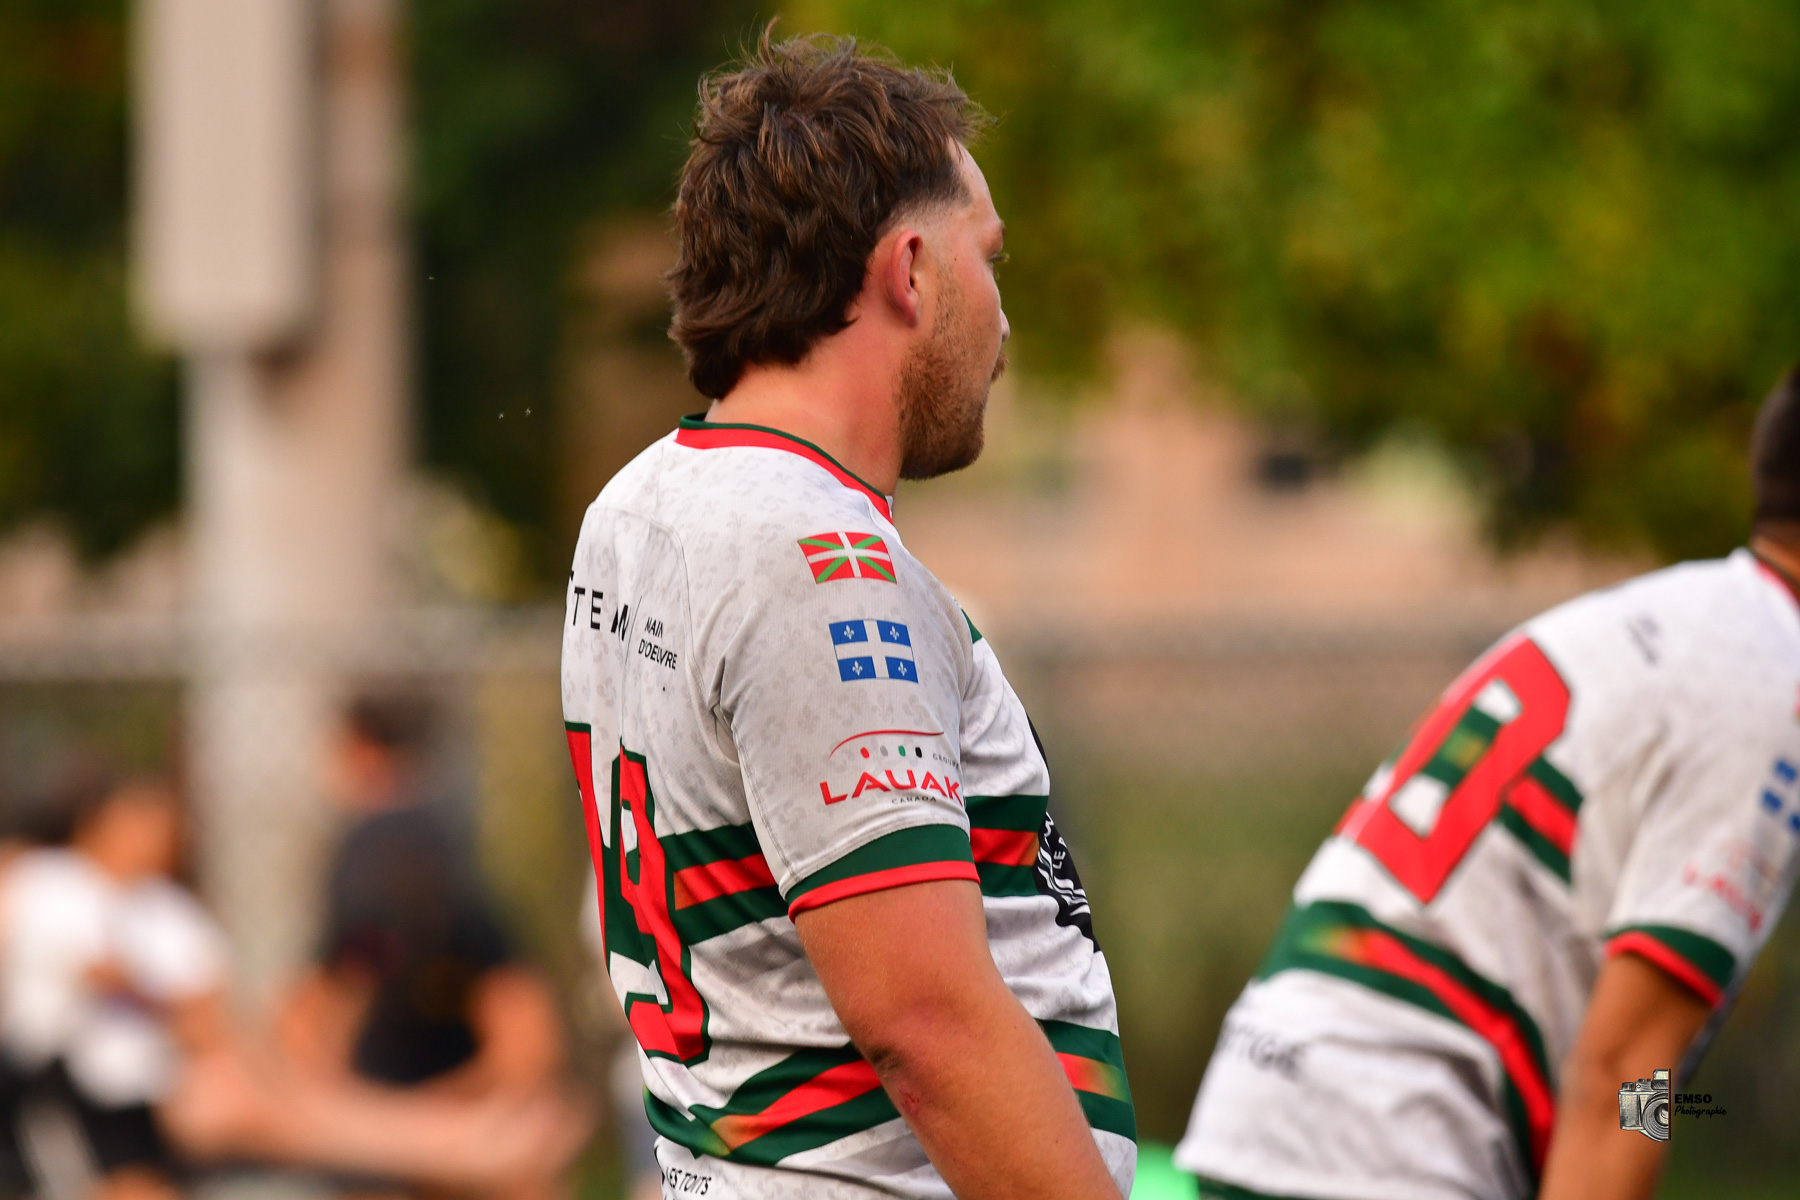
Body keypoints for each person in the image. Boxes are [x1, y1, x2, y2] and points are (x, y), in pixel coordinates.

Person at [561, 29, 1135, 1200]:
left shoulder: (639, 505)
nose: (1004, 323)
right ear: (909, 270)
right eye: (990, 259)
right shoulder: (820, 563)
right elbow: (926, 1026)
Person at [1174, 368, 1800, 1200]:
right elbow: (1625, 1079)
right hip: (1386, 1141)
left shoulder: (1698, 622)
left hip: (1282, 1105)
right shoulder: (1766, 688)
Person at [276, 693, 579, 1198]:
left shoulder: (464, 917)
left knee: (532, 1150)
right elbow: (300, 1030)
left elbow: (530, 1052)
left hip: (459, 1111)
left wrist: (428, 1123)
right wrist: (376, 1120)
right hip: (390, 1112)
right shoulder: (362, 924)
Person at [0, 768, 230, 1200]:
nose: (156, 835)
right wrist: (162, 998)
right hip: (61, 1085)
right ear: (98, 822)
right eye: (140, 819)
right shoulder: (48, 881)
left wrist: (146, 993)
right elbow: (98, 974)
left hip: (148, 1093)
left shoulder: (175, 911)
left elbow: (208, 1014)